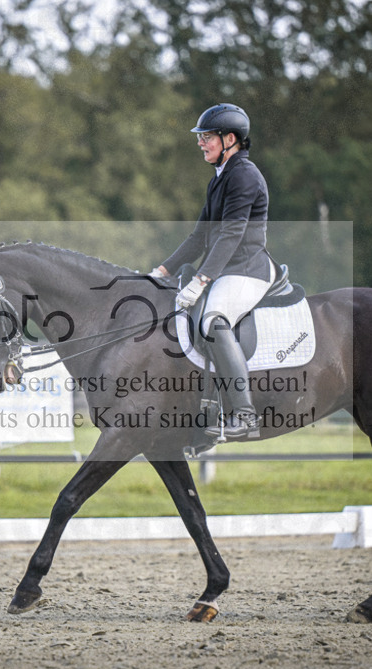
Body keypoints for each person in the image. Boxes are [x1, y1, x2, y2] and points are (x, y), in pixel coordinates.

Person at [148, 103, 283, 439]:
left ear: (230, 139)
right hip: (225, 269)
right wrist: (161, 271)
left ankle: (245, 414)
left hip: (247, 269)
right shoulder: (220, 179)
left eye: (207, 137)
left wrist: (201, 279)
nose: (200, 143)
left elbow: (232, 234)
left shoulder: (245, 175)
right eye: (201, 137)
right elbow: (199, 237)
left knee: (213, 320)